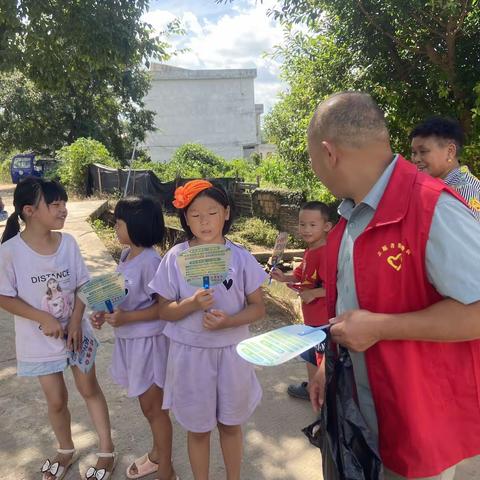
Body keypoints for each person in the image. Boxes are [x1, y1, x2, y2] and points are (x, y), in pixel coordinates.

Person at [307, 92, 480, 480]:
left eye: (312, 159)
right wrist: (325, 364)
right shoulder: (352, 217)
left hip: (419, 425)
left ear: (328, 153)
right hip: (365, 419)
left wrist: (382, 327)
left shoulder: (433, 207)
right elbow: (351, 302)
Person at [149, 180, 267, 480]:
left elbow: (258, 307)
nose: (204, 221)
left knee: (230, 424)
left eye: (212, 213)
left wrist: (228, 321)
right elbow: (164, 310)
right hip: (190, 355)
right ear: (185, 217)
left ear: (226, 213)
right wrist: (189, 304)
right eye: (196, 214)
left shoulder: (240, 257)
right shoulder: (176, 257)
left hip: (233, 353)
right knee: (198, 428)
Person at [0, 177, 116, 480]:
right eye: (55, 204)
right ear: (29, 211)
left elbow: (82, 284)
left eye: (64, 203)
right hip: (38, 343)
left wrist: (76, 320)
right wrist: (42, 317)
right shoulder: (10, 251)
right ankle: (65, 448)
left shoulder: (69, 243)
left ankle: (107, 451)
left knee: (89, 389)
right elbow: (4, 296)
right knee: (56, 400)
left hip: (77, 336)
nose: (63, 209)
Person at [90, 196, 178, 480]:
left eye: (119, 223)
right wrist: (105, 312)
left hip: (149, 345)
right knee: (147, 406)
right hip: (130, 342)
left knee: (154, 409)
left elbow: (163, 308)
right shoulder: (128, 254)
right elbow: (123, 294)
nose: (115, 227)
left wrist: (127, 318)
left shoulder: (152, 261)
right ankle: (156, 454)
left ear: (137, 225)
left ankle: (166, 470)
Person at [271, 201, 333, 401]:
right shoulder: (310, 250)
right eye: (302, 224)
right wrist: (286, 278)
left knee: (322, 359)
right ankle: (312, 390)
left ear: (327, 226)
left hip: (324, 319)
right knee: (311, 356)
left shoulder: (327, 253)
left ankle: (322, 399)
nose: (306, 229)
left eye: (312, 225)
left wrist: (314, 294)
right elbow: (301, 275)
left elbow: (336, 286)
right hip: (311, 318)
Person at [410, 116, 480, 220]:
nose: (416, 159)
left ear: (450, 151)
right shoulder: (439, 188)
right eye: (413, 153)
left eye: (423, 151)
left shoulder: (464, 190)